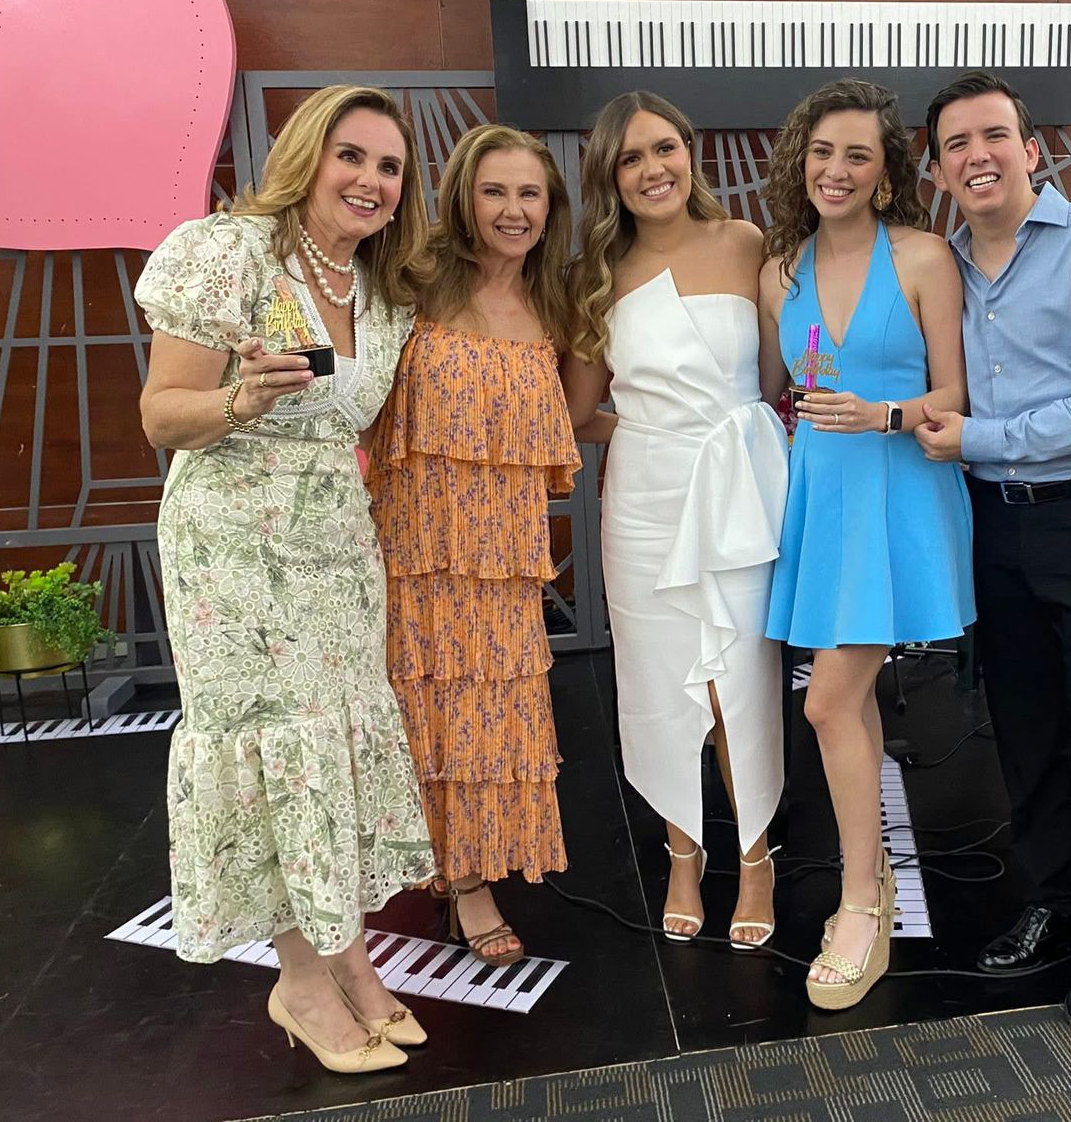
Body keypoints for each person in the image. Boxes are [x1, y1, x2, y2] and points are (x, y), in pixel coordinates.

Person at [137, 85, 436, 1073]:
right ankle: (300, 981)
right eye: (352, 155)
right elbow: (161, 415)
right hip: (233, 551)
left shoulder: (380, 290)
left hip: (337, 552)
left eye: (389, 167)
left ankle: (350, 961)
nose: (370, 180)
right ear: (308, 155)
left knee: (334, 746)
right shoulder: (228, 254)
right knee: (281, 750)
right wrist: (241, 399)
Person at [915, 71, 1071, 1028]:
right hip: (992, 524)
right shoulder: (941, 264)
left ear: (1031, 150)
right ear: (939, 170)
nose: (977, 156)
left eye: (993, 136)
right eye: (956, 145)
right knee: (1023, 726)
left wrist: (982, 437)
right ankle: (1049, 902)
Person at [763, 79, 974, 1010]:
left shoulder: (923, 256)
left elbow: (958, 398)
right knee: (843, 705)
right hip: (822, 501)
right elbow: (768, 390)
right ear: (800, 162)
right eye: (822, 152)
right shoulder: (780, 270)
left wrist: (884, 412)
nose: (836, 169)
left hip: (899, 496)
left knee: (827, 703)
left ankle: (861, 901)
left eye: (857, 154)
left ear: (886, 173)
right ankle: (869, 885)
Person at [564, 92, 789, 950]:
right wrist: (653, 431)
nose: (652, 169)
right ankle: (683, 855)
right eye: (630, 158)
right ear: (609, 177)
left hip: (739, 496)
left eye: (664, 148)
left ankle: (758, 857)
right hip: (648, 501)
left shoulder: (746, 243)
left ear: (689, 151)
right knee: (660, 683)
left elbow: (773, 380)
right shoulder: (596, 272)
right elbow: (578, 413)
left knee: (741, 681)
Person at [367, 125, 582, 967]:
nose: (513, 210)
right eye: (495, 191)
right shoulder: (407, 284)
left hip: (505, 560)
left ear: (550, 207)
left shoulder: (556, 304)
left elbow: (577, 417)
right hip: (413, 548)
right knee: (424, 716)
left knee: (494, 723)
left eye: (530, 193)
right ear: (462, 197)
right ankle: (463, 883)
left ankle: (474, 864)